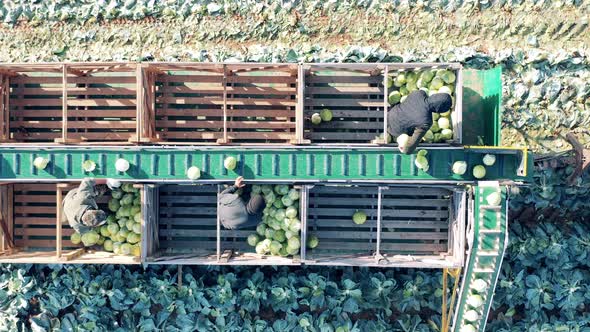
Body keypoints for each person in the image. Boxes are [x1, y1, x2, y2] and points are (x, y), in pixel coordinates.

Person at [387, 90, 452, 154]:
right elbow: (411, 145)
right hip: (394, 130)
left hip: (391, 113)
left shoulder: (419, 93)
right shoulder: (426, 122)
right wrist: (405, 150)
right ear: (438, 110)